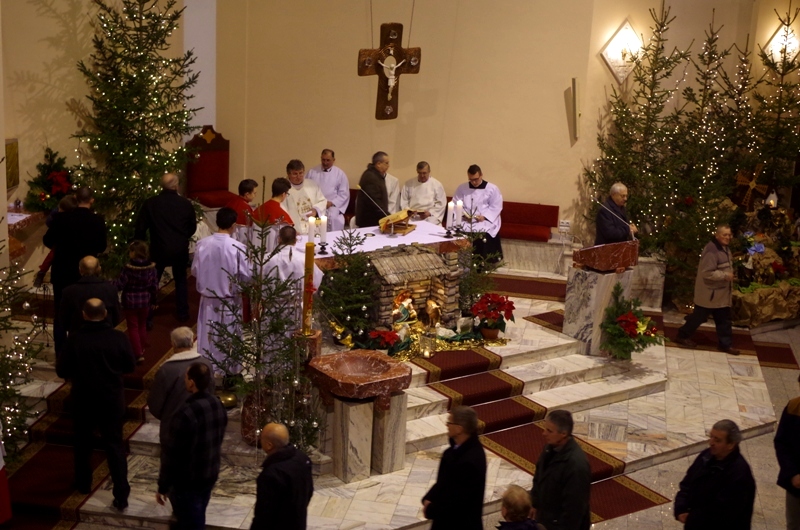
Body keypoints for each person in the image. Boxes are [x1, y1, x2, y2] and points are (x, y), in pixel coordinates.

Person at [56, 298, 136, 511]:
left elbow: (61, 370)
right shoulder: (118, 338)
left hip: (83, 400)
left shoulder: (74, 340)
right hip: (111, 400)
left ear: (84, 315)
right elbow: (130, 365)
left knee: (83, 444)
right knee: (114, 446)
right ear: (105, 314)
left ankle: (83, 483)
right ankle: (121, 494)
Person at [156, 362, 228, 529]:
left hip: (188, 482)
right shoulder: (217, 404)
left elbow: (172, 455)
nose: (184, 380)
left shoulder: (185, 414)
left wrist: (163, 486)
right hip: (209, 473)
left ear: (191, 382)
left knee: (192, 523)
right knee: (198, 515)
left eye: (186, 377)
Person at [42, 186, 107, 352]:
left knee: (60, 313)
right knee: (84, 311)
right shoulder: (97, 220)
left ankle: (61, 354)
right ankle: (81, 350)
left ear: (76, 199)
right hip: (87, 273)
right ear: (91, 200)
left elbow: (48, 241)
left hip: (62, 271)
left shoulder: (61, 219)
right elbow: (102, 246)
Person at [192, 207, 251, 374]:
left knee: (209, 339)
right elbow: (247, 275)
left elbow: (195, 270)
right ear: (233, 225)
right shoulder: (237, 247)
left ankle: (207, 372)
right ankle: (230, 374)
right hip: (229, 301)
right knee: (229, 339)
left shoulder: (202, 244)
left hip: (208, 301)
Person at [134, 173, 197, 326]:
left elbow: (140, 228)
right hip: (179, 249)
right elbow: (192, 228)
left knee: (152, 281)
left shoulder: (151, 203)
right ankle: (183, 313)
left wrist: (141, 246)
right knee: (180, 280)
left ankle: (148, 317)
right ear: (176, 186)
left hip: (158, 248)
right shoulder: (185, 204)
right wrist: (181, 237)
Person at [674, 419, 756, 529]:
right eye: (711, 437)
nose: (711, 443)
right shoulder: (706, 456)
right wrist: (681, 508)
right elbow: (687, 484)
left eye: (717, 440)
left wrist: (693, 519)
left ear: (731, 444)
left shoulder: (740, 474)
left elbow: (723, 513)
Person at [674, 224, 740, 355]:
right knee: (698, 317)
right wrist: (726, 276)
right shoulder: (711, 250)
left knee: (724, 320)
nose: (728, 237)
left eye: (729, 235)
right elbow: (707, 273)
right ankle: (682, 335)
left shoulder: (725, 248)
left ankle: (725, 345)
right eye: (724, 235)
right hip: (710, 294)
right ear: (717, 235)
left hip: (720, 294)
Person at [422, 405, 486, 529]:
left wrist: (431, 510)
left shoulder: (469, 461)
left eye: (449, 422)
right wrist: (429, 497)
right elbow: (443, 483)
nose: (447, 425)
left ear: (459, 429)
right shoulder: (453, 452)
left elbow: (455, 501)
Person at [147, 327, 214, 447]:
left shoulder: (166, 370)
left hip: (174, 430)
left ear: (173, 344)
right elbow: (211, 391)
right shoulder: (206, 364)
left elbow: (155, 404)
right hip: (201, 425)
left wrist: (168, 416)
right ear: (192, 341)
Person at [529, 409, 591, 530]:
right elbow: (538, 478)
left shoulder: (576, 466)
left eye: (549, 431)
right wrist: (534, 503)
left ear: (563, 433)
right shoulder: (549, 448)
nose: (543, 433)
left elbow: (574, 509)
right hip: (546, 518)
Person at [250, 423, 314, 530]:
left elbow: (264, 516)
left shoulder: (271, 475)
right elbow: (309, 492)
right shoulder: (303, 458)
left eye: (261, 438)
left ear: (269, 445)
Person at [264, 225, 324, 323]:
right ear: (295, 240)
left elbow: (258, 281)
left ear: (279, 239)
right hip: (297, 309)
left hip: (273, 309)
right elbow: (315, 282)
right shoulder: (305, 259)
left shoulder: (267, 259)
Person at [115, 241, 158, 363]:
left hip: (130, 302)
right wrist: (154, 300)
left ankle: (138, 353)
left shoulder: (128, 269)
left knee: (133, 327)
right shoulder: (151, 269)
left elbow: (120, 284)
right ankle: (141, 348)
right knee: (142, 325)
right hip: (145, 301)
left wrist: (108, 285)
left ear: (134, 252)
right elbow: (154, 286)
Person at [60, 255, 120, 338]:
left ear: (80, 270)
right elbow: (116, 318)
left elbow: (64, 322)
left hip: (77, 340)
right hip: (105, 339)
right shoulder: (111, 290)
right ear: (99, 269)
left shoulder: (68, 292)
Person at [452, 164, 504, 261]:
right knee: (458, 231)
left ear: (481, 175)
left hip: (483, 220)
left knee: (484, 233)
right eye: (471, 180)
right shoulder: (462, 188)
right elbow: (456, 204)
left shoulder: (492, 188)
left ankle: (482, 262)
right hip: (466, 220)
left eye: (476, 179)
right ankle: (461, 261)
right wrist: (463, 215)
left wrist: (484, 217)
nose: (473, 182)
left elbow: (496, 206)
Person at [34, 194, 79, 288]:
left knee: (51, 256)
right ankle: (42, 272)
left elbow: (47, 239)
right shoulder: (58, 218)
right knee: (51, 256)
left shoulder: (59, 219)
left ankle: (42, 272)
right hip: (63, 248)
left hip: (64, 251)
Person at [774, 374, 800, 530]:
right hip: (797, 484)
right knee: (794, 524)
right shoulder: (794, 407)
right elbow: (782, 443)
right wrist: (793, 473)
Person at [305, 149, 350, 231]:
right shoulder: (312, 172)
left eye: (328, 160)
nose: (325, 163)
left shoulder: (340, 174)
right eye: (323, 160)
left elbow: (344, 194)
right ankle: (316, 236)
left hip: (332, 205)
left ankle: (333, 237)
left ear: (333, 160)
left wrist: (332, 203)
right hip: (316, 204)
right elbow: (306, 188)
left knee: (333, 218)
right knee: (311, 218)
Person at [281, 159, 327, 236]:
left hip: (313, 228)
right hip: (295, 231)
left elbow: (322, 201)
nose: (298, 177)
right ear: (288, 174)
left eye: (301, 173)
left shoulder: (312, 185)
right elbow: (282, 211)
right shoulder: (284, 189)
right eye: (295, 174)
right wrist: (290, 229)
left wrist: (316, 210)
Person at [356, 151, 390, 227]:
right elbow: (375, 202)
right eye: (386, 163)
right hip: (370, 221)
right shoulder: (371, 177)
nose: (388, 166)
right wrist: (389, 217)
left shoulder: (376, 175)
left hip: (376, 219)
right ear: (378, 164)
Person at [225, 178, 259, 243]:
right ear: (247, 195)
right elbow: (244, 234)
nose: (255, 196)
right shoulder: (245, 208)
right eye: (254, 193)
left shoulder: (232, 202)